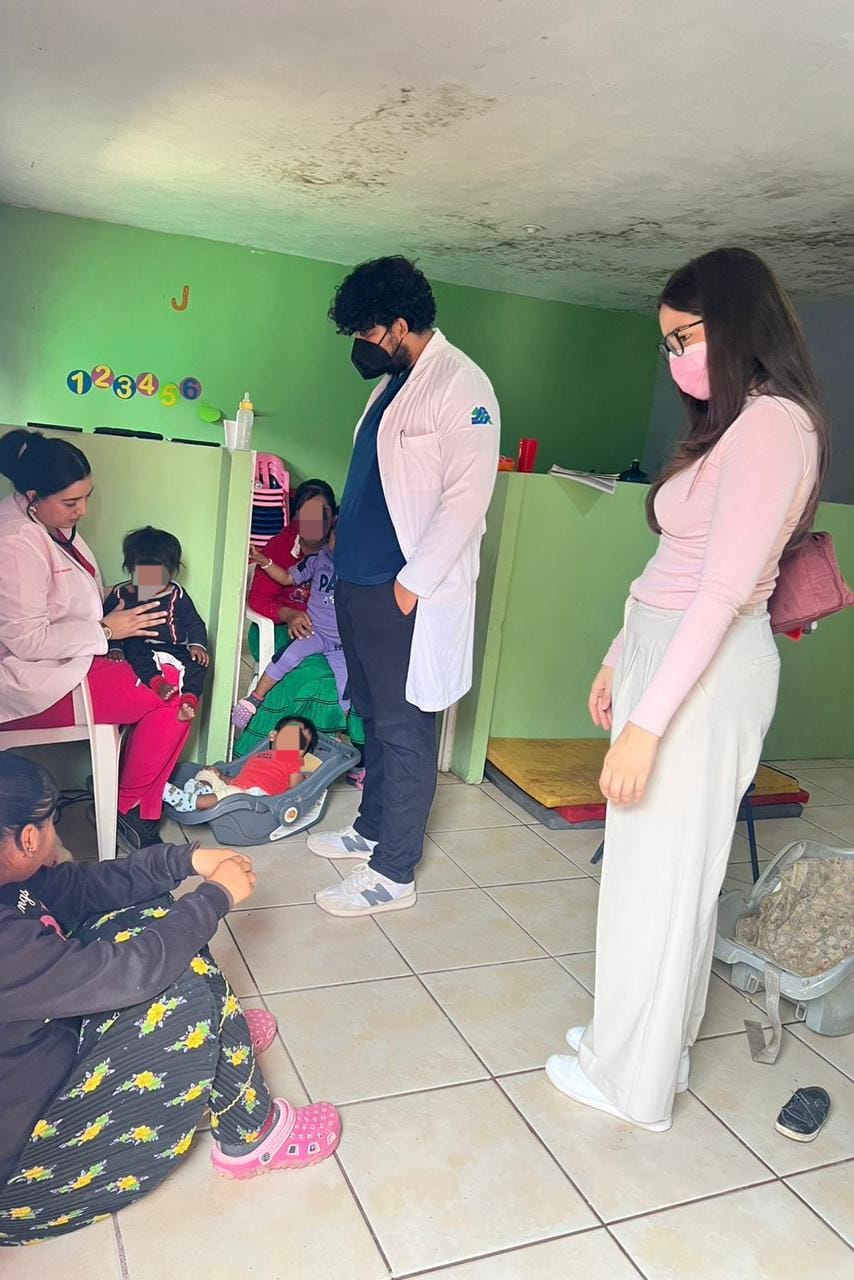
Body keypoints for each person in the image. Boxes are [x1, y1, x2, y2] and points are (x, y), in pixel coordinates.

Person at [545, 248, 828, 1132]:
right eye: (667, 345)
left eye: (686, 338)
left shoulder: (774, 426)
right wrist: (616, 656)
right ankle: (639, 1048)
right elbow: (672, 565)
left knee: (663, 883)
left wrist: (648, 725)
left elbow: (721, 590)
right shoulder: (734, 427)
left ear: (738, 324)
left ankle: (630, 1084)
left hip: (703, 671)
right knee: (649, 873)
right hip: (667, 653)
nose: (675, 360)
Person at [0, 753, 341, 1246]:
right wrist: (215, 896)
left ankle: (219, 1041)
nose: (57, 838)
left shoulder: (13, 881)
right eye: (53, 824)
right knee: (178, 987)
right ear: (28, 838)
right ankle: (252, 1135)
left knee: (143, 915)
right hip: (25, 1180)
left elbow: (89, 886)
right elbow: (132, 972)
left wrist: (187, 861)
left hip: (48, 1059)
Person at [307, 256, 500, 916]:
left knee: (404, 726)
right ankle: (370, 830)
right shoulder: (393, 383)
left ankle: (393, 872)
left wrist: (412, 585)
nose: (359, 347)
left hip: (405, 591)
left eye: (365, 333)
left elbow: (466, 498)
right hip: (357, 583)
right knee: (371, 714)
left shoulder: (462, 384)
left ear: (397, 324)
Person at [0, 431, 194, 845]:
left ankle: (132, 804)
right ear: (33, 497)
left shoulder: (48, 523)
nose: (83, 511)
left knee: (181, 672)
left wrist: (128, 597)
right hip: (36, 681)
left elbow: (74, 595)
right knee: (173, 697)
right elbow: (27, 641)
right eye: (71, 502)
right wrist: (107, 630)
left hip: (76, 657)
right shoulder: (16, 542)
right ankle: (127, 807)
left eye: (86, 497)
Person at [233, 529, 348, 727]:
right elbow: (287, 578)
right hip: (313, 631)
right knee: (286, 657)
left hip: (341, 641)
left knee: (344, 688)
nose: (339, 540)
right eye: (336, 534)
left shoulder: (358, 570)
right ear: (329, 535)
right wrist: (264, 561)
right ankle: (253, 700)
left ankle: (335, 732)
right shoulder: (317, 560)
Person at [103, 526, 209, 723]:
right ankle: (158, 683)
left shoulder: (176, 593)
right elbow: (107, 622)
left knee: (199, 662)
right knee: (134, 650)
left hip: (174, 647)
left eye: (158, 577)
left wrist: (197, 645)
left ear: (171, 572)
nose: (150, 583)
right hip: (140, 644)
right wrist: (115, 647)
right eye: (144, 575)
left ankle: (189, 700)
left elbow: (194, 622)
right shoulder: (121, 593)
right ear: (131, 569)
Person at [246, 479, 337, 642]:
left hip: (327, 631)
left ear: (333, 519)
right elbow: (259, 599)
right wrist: (289, 615)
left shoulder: (340, 551)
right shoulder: (278, 547)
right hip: (278, 627)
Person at [164, 715, 317, 812]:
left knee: (232, 795)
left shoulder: (293, 762)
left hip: (256, 797)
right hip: (238, 787)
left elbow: (295, 789)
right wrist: (222, 776)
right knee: (208, 772)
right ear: (273, 736)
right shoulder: (259, 756)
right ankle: (200, 789)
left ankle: (188, 802)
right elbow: (240, 779)